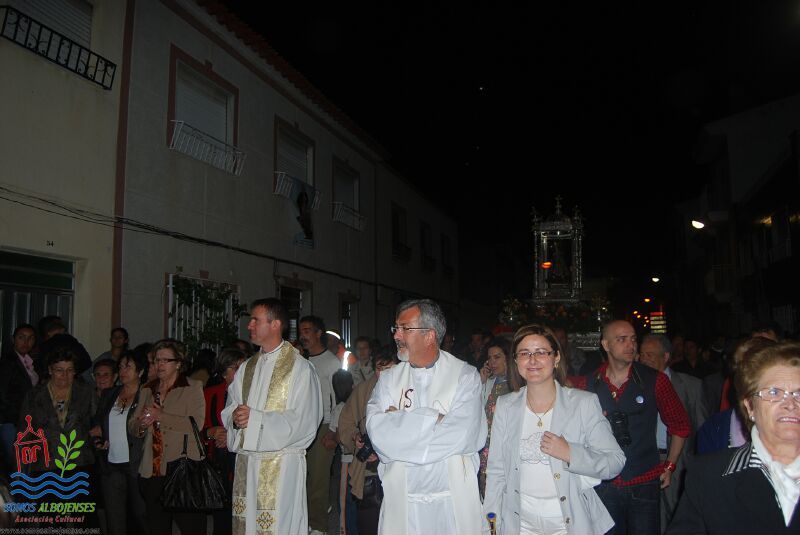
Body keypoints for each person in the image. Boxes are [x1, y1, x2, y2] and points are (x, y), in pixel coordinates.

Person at [483, 324, 625, 534]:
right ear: (515, 360)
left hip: (567, 521)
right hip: (520, 522)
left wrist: (571, 453)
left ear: (556, 357)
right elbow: (496, 472)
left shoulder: (582, 403)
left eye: (541, 352)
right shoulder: (506, 405)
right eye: (524, 353)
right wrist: (490, 527)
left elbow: (615, 461)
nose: (532, 360)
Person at [366, 299, 487, 535]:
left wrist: (402, 423)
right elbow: (379, 435)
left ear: (430, 335)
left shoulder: (464, 376)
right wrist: (435, 418)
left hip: (452, 503)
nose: (396, 335)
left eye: (405, 328)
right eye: (396, 328)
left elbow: (464, 436)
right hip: (403, 503)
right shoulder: (388, 379)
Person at [570, 320, 691, 535]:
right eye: (622, 339)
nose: (631, 345)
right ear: (606, 345)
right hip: (602, 483)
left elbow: (680, 425)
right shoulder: (587, 384)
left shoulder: (655, 380)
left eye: (633, 339)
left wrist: (670, 465)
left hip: (644, 480)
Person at [667, 341, 800, 534]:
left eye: (799, 393)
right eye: (774, 392)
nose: (790, 404)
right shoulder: (708, 476)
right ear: (750, 406)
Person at [222, 298, 322, 535]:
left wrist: (256, 419)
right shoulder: (247, 367)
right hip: (247, 464)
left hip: (281, 465)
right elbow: (231, 406)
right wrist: (235, 418)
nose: (249, 325)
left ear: (275, 324)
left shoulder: (300, 368)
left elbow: (306, 420)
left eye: (255, 320)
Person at [129, 338, 206, 535]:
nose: (159, 364)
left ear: (178, 363)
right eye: (156, 360)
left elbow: (196, 424)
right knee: (157, 527)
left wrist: (161, 416)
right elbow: (132, 425)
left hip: (181, 468)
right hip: (152, 469)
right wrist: (141, 425)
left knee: (191, 528)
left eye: (165, 360)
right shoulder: (147, 389)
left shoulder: (192, 387)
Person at [18, 346, 97, 525]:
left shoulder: (86, 392)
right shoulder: (34, 395)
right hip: (45, 463)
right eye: (59, 370)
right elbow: (23, 431)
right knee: (50, 518)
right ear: (50, 370)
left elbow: (98, 420)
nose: (65, 375)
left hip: (79, 461)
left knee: (83, 518)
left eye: (70, 370)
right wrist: (23, 468)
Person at [638, 333, 709, 532]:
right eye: (642, 354)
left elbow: (702, 427)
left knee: (679, 518)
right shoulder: (635, 385)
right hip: (645, 461)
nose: (644, 359)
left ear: (666, 357)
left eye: (650, 355)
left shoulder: (691, 386)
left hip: (678, 462)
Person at [339, 349, 400, 535]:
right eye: (380, 369)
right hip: (369, 472)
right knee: (369, 524)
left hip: (399, 469)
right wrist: (355, 437)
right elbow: (346, 423)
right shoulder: (363, 390)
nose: (384, 374)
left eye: (389, 369)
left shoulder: (407, 389)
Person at [92, 350, 147, 535]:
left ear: (140, 371)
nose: (123, 371)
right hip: (111, 463)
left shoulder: (146, 394)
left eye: (128, 367)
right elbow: (98, 422)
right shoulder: (110, 394)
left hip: (136, 463)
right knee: (114, 517)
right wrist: (98, 439)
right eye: (121, 367)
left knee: (141, 514)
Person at [298, 315, 341, 535]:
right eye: (301, 331)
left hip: (324, 424)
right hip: (303, 425)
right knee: (301, 476)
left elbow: (341, 399)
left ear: (318, 333)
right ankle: (305, 520)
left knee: (319, 478)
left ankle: (319, 526)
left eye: (307, 331)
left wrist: (333, 431)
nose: (302, 335)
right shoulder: (301, 362)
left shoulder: (332, 363)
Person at [203, 347, 246, 535]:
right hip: (218, 462)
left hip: (241, 458)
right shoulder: (210, 393)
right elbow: (198, 427)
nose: (241, 372)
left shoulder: (251, 394)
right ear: (223, 372)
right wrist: (211, 433)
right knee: (221, 514)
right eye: (235, 368)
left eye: (243, 367)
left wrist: (231, 436)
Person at [478, 336, 513, 499]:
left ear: (508, 358)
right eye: (490, 358)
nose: (492, 362)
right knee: (488, 493)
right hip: (487, 446)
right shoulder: (489, 383)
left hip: (507, 446)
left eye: (497, 357)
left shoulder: (519, 383)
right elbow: (476, 411)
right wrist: (481, 383)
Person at [0, 324, 38, 472]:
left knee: (23, 461)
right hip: (11, 421)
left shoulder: (29, 361)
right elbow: (3, 394)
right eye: (21, 337)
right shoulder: (8, 363)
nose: (26, 342)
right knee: (18, 462)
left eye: (30, 338)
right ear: (13, 339)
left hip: (23, 420)